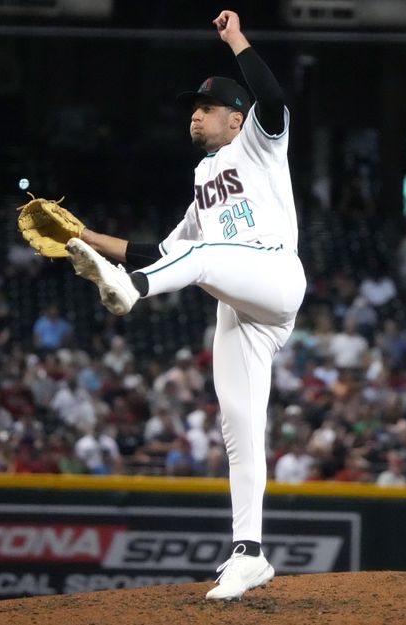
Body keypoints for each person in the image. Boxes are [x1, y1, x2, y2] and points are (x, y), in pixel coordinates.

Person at [64, 10, 305, 600]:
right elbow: (162, 250)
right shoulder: (203, 178)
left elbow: (270, 95)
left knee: (202, 258)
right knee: (240, 429)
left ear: (235, 118)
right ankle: (249, 552)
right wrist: (92, 237)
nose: (194, 113)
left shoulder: (261, 142)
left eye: (206, 105)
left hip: (273, 274)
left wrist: (236, 39)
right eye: (192, 107)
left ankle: (129, 292)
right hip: (235, 302)